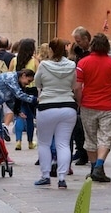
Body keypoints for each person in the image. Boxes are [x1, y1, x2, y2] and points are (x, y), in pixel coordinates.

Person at [74, 34, 111, 183]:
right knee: (105, 137)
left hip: (88, 104)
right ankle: (99, 166)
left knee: (90, 138)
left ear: (92, 46)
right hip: (108, 106)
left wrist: (80, 101)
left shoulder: (83, 63)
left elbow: (77, 87)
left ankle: (93, 168)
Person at [32, 38, 79, 189]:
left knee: (44, 143)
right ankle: (62, 177)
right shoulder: (72, 65)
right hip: (68, 106)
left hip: (47, 106)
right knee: (63, 143)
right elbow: (74, 85)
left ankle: (45, 175)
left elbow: (37, 82)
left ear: (51, 50)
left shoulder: (44, 65)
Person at [11, 39, 39, 150]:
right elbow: (38, 76)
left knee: (19, 114)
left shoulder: (14, 60)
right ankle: (30, 141)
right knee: (30, 117)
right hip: (31, 90)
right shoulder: (34, 61)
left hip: (18, 90)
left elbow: (9, 74)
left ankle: (18, 141)